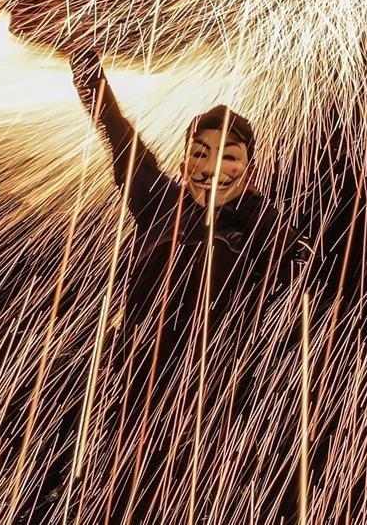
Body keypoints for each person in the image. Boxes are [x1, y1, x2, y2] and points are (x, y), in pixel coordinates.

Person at [60, 46, 316, 522]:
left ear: (250, 169)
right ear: (184, 162)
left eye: (228, 157)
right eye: (201, 153)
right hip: (134, 389)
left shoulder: (267, 227)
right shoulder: (157, 200)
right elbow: (115, 130)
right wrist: (82, 62)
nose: (212, 167)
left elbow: (304, 289)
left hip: (215, 404)